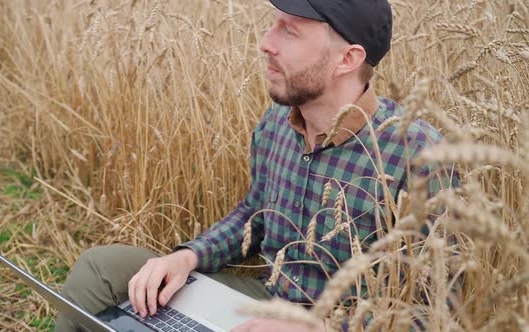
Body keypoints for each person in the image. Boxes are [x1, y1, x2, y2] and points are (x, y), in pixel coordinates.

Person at [55, 0, 456, 331]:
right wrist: (187, 257)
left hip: (340, 324)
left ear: (347, 58)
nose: (266, 42)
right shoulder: (277, 123)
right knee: (102, 269)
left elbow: (435, 310)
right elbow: (255, 216)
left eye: (290, 31)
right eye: (273, 24)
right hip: (262, 304)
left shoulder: (418, 154)